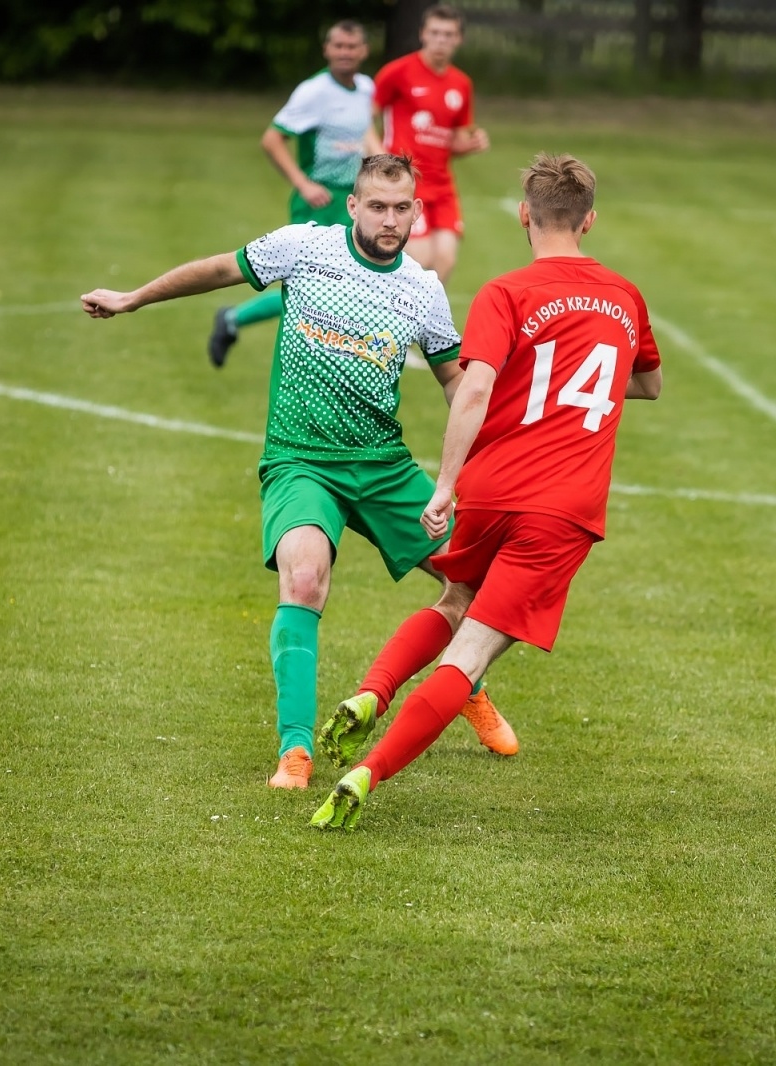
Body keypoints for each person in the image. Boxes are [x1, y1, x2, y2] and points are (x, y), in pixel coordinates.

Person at [81, 154, 516, 791]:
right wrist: (135, 297)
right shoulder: (303, 249)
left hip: (383, 465)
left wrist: (485, 455)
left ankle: (466, 680)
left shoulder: (423, 288)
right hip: (302, 459)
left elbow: (457, 382)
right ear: (353, 206)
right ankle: (295, 753)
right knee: (306, 577)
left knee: (472, 584)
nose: (389, 220)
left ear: (417, 212)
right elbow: (220, 269)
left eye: (402, 209)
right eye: (377, 206)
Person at [311, 153, 663, 830]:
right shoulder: (624, 296)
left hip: (494, 487)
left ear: (525, 216)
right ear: (589, 220)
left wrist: (445, 484)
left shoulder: (506, 292)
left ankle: (370, 695)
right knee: (468, 656)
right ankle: (367, 773)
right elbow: (647, 382)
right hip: (562, 507)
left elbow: (475, 385)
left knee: (455, 599)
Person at [207, 21, 380, 368]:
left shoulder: (365, 88)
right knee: (309, 284)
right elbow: (271, 139)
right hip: (319, 200)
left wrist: (382, 169)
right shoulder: (313, 91)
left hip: (355, 200)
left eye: (352, 46)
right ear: (326, 50)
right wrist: (303, 184)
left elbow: (367, 134)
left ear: (364, 51)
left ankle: (336, 353)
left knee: (348, 285)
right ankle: (235, 320)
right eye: (339, 46)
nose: (345, 53)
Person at [372, 4, 490, 286]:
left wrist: (471, 145)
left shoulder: (461, 84)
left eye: (448, 34)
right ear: (423, 34)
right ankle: (402, 324)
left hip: (443, 185)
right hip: (408, 182)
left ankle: (421, 326)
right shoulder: (398, 72)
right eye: (435, 33)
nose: (441, 40)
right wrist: (380, 160)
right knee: (420, 261)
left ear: (458, 39)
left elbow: (451, 142)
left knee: (445, 261)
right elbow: (365, 118)